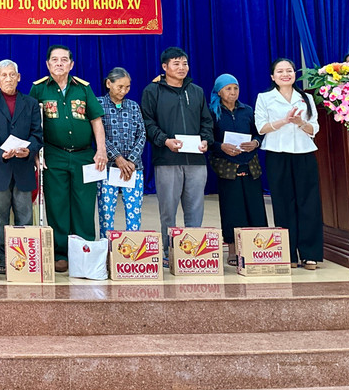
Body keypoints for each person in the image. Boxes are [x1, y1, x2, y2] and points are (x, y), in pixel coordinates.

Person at [30, 45, 108, 272]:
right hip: (54, 154)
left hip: (84, 155)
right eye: (54, 60)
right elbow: (32, 124)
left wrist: (101, 150)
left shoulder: (83, 88)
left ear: (71, 64)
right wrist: (35, 153)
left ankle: (84, 252)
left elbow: (96, 120)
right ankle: (61, 253)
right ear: (47, 64)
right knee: (58, 205)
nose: (59, 63)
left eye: (64, 60)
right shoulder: (38, 89)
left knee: (84, 204)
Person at [140, 46, 214, 259]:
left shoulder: (196, 91)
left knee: (195, 208)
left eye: (185, 63)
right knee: (168, 211)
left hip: (196, 160)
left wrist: (206, 140)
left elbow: (207, 121)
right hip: (167, 159)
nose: (182, 68)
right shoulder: (152, 91)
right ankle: (168, 252)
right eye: (176, 63)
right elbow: (147, 122)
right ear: (165, 67)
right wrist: (165, 141)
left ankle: (193, 254)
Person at [255, 58, 322, 269]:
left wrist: (300, 122)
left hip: (304, 153)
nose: (285, 74)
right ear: (272, 76)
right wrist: (284, 121)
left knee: (309, 203)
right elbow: (261, 127)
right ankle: (288, 253)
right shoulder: (265, 98)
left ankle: (310, 254)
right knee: (283, 203)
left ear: (294, 74)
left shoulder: (306, 98)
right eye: (280, 71)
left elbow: (314, 129)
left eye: (289, 70)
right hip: (277, 154)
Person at [0, 60, 43, 276]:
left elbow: (37, 134)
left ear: (19, 77)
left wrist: (29, 150)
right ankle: (4, 259)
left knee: (25, 216)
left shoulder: (31, 103)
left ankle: (25, 259)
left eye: (12, 75)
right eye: (4, 75)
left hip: (23, 167)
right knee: (0, 216)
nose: (8, 79)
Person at [209, 73, 266, 265]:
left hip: (249, 164)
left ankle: (257, 248)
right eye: (228, 89)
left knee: (255, 206)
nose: (233, 92)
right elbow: (207, 139)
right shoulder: (212, 112)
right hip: (226, 166)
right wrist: (221, 147)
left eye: (236, 88)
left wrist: (255, 143)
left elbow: (259, 133)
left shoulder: (247, 110)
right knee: (232, 208)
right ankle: (233, 248)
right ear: (219, 92)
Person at [96, 68, 146, 238]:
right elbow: (98, 135)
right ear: (108, 84)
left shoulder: (133, 106)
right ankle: (107, 249)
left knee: (134, 214)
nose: (124, 91)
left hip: (133, 168)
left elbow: (142, 134)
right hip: (107, 167)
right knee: (106, 214)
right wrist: (117, 158)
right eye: (120, 87)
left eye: (127, 87)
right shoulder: (98, 104)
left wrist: (131, 161)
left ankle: (131, 248)